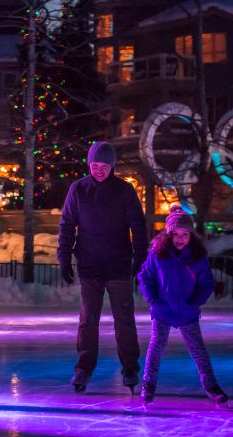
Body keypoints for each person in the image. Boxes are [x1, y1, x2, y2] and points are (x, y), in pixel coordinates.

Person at [58, 141, 148, 393]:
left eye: (104, 166)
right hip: (89, 266)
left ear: (112, 166)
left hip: (119, 265)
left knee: (124, 321)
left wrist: (141, 259)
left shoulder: (124, 190)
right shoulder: (78, 189)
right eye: (95, 165)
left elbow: (138, 226)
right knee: (88, 321)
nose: (99, 170)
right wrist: (64, 257)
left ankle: (130, 368)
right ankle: (83, 369)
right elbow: (66, 224)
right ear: (89, 165)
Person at [138, 205, 228, 407]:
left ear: (191, 235)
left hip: (187, 312)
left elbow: (207, 283)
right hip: (163, 310)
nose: (180, 238)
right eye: (176, 234)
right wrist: (153, 299)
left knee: (198, 350)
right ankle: (148, 384)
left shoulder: (197, 257)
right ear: (168, 234)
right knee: (156, 347)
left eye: (185, 234)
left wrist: (195, 302)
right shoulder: (157, 254)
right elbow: (145, 276)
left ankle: (211, 385)